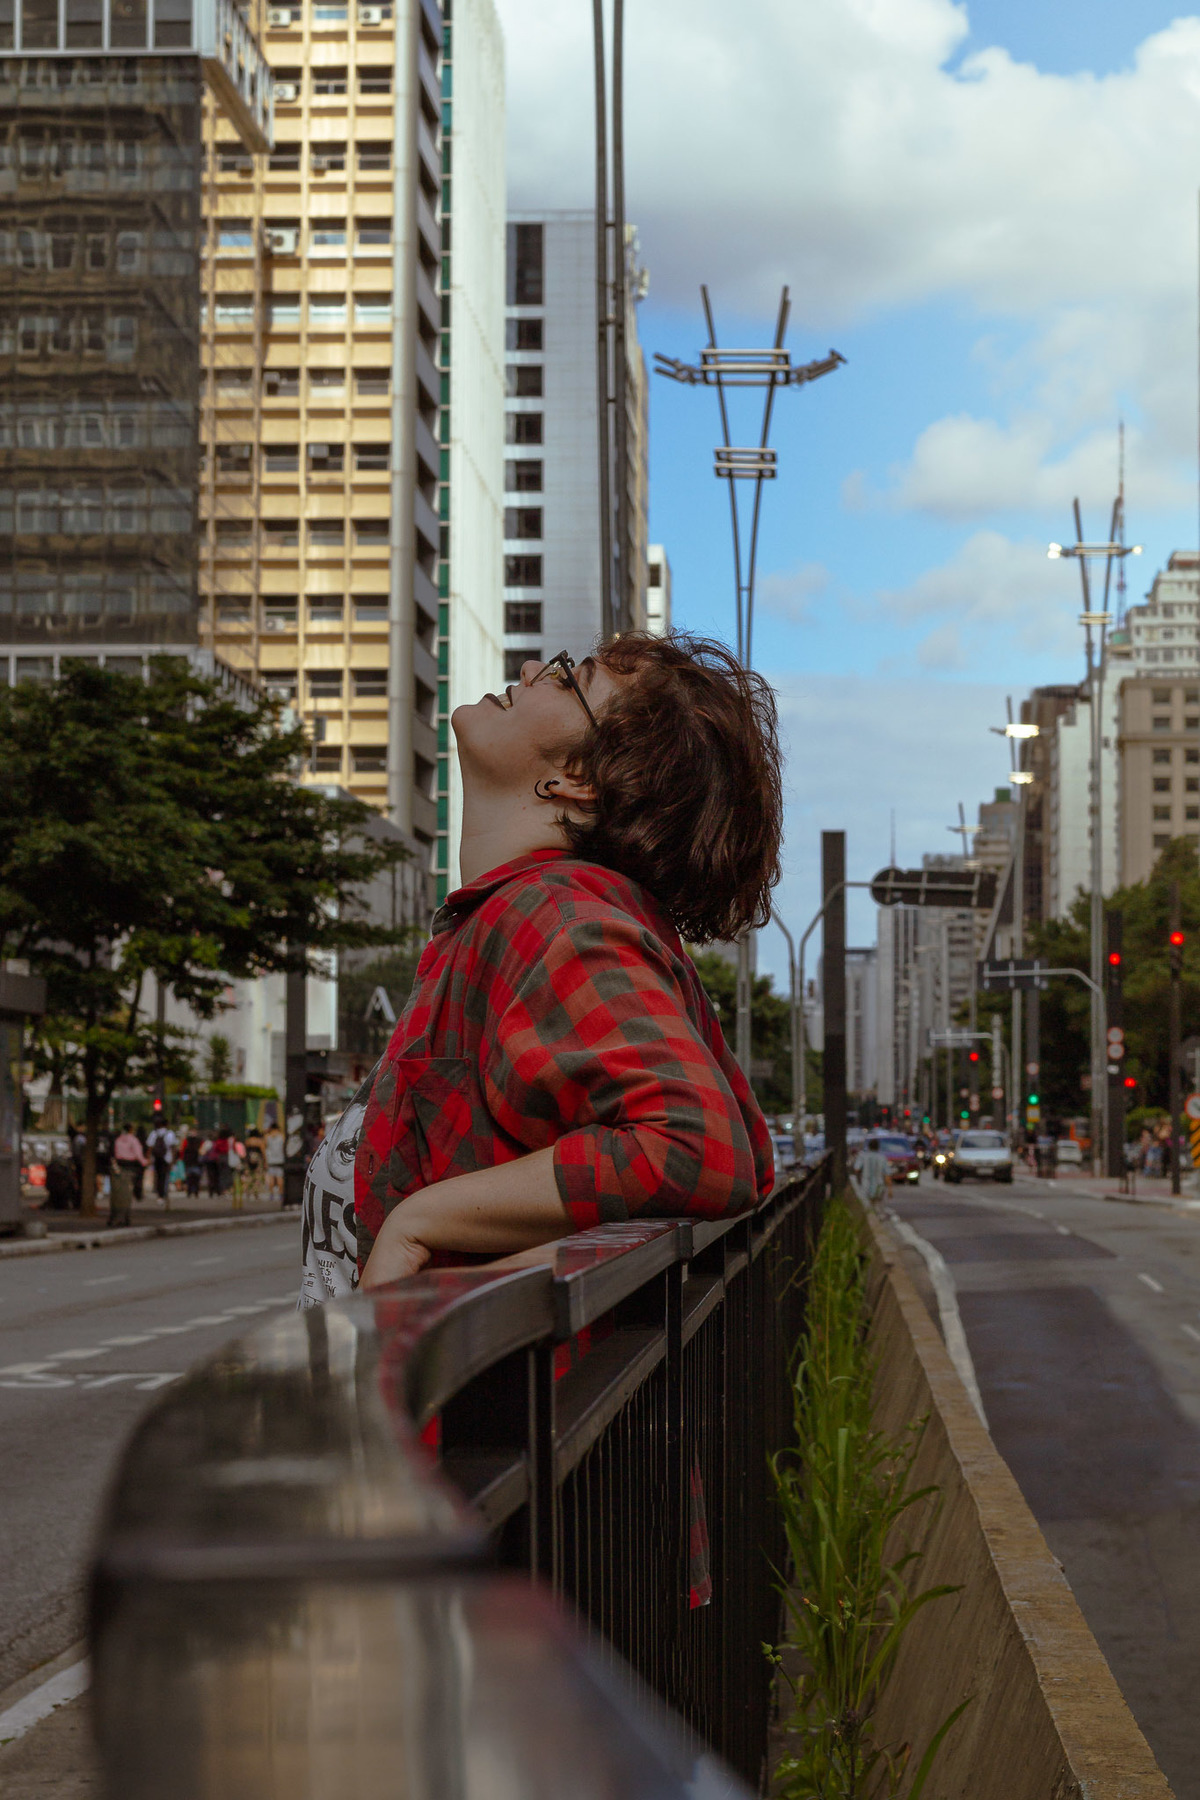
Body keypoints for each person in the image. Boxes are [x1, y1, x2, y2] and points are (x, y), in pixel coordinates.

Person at [300, 633, 782, 1306]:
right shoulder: (520, 917)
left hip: (467, 1404)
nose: (528, 670)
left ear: (578, 778)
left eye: (566, 677)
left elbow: (701, 1148)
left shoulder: (552, 918)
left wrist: (419, 1221)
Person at [111, 1125, 146, 1227]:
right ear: (131, 1129)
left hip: (118, 1168)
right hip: (130, 1168)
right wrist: (144, 1162)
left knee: (117, 1194)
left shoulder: (118, 1140)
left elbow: (115, 1153)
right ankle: (124, 1218)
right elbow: (138, 1155)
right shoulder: (133, 1140)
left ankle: (115, 1217)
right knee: (126, 1195)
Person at [146, 1119, 177, 1204]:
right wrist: (173, 1160)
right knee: (165, 1176)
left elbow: (150, 1147)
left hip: (156, 1158)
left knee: (158, 1176)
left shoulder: (153, 1133)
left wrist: (148, 1158)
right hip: (167, 1158)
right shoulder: (170, 1134)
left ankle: (159, 1194)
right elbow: (173, 1148)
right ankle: (163, 1193)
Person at [265, 1123, 285, 1200]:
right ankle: (281, 1194)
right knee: (279, 1177)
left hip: (270, 1159)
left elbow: (265, 1147)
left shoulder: (267, 1137)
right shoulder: (281, 1136)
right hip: (280, 1159)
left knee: (271, 1177)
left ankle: (271, 1194)